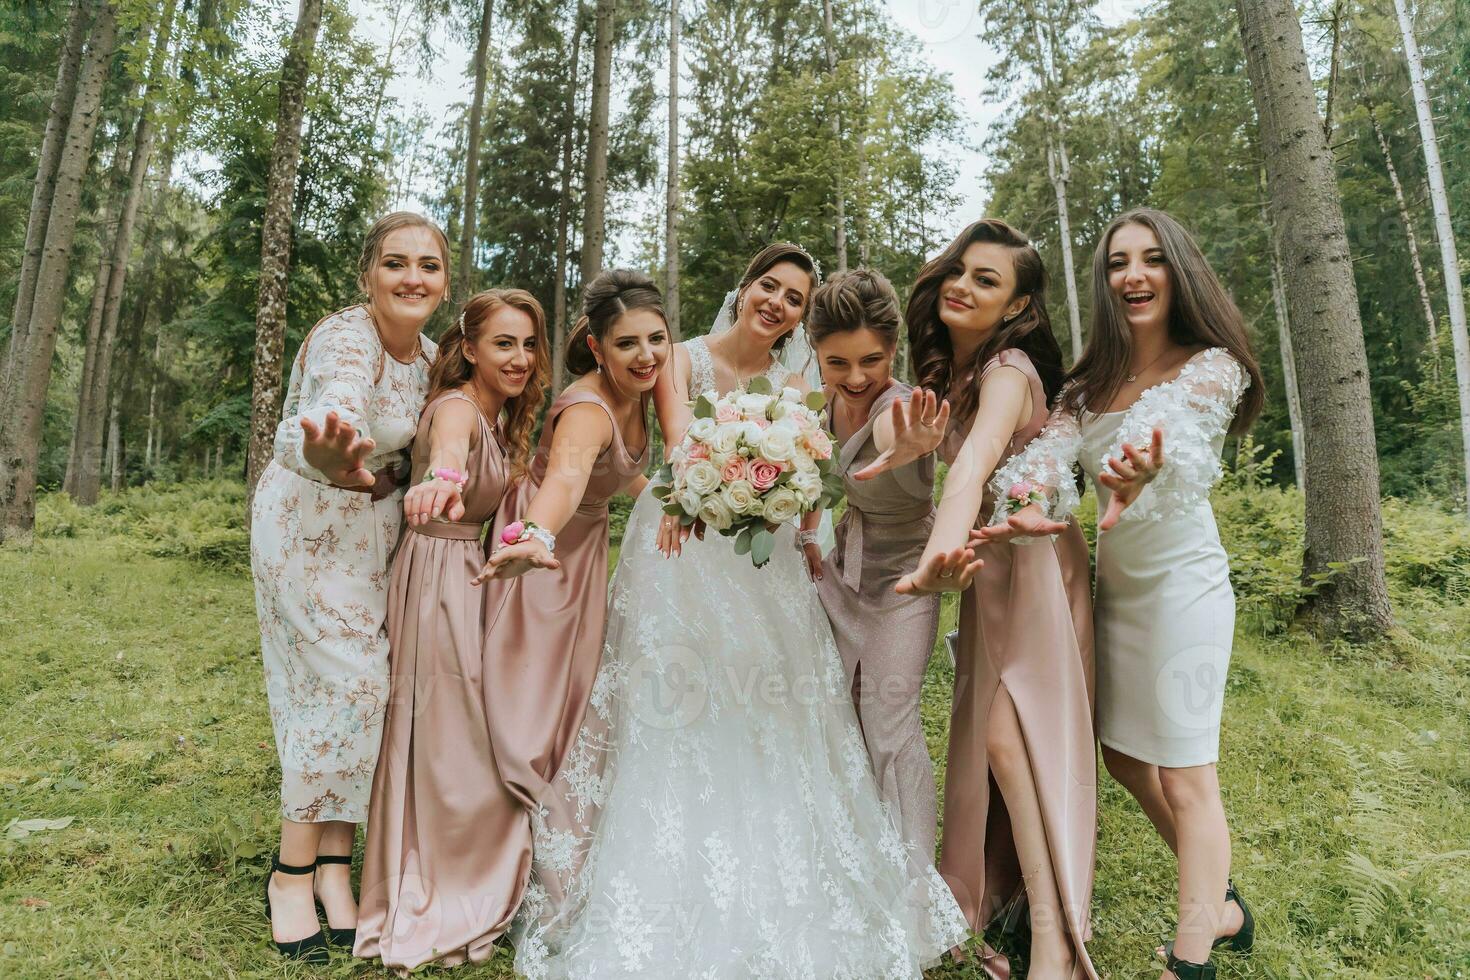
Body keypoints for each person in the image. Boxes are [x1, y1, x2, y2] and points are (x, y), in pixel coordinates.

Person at [510, 244, 970, 980]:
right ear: (745, 283)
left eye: (795, 297)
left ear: (803, 315)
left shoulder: (801, 377)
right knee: (678, 708)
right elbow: (678, 449)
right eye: (770, 286)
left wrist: (810, 532)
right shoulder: (682, 357)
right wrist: (693, 491)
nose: (778, 303)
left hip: (770, 559)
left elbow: (813, 472)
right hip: (682, 550)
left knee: (771, 709)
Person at [979, 208, 1264, 980]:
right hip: (1118, 592)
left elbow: (1174, 435)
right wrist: (1027, 503)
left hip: (1183, 588)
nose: (1132, 275)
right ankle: (1220, 898)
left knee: (1186, 773)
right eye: (1116, 263)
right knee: (1123, 756)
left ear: (1179, 271)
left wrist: (1142, 465)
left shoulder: (1211, 366)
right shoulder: (1086, 383)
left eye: (1150, 259)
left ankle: (1192, 955)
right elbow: (1049, 460)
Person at [861, 218, 1099, 979]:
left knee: (1009, 739)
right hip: (984, 570)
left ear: (1019, 304)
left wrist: (940, 553)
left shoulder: (1007, 372)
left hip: (1027, 570)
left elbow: (975, 471)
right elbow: (936, 472)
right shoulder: (949, 377)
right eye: (960, 271)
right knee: (989, 747)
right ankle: (1002, 902)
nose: (963, 286)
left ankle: (1058, 945)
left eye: (987, 280)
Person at [249, 211, 447, 962]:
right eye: (395, 263)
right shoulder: (344, 338)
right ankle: (290, 871)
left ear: (444, 281)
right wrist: (332, 451)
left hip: (373, 536)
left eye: (427, 265)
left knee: (363, 690)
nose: (411, 278)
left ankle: (337, 864)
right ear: (368, 274)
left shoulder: (431, 356)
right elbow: (329, 412)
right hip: (304, 525)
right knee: (348, 688)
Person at [354, 288, 548, 970]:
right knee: (448, 731)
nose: (520, 358)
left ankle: (462, 862)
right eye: (503, 343)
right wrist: (440, 477)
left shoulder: (501, 415)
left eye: (528, 343)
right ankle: (447, 876)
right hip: (438, 574)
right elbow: (449, 453)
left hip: (468, 572)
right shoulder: (463, 407)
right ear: (468, 349)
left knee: (465, 723)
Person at [807, 268, 950, 859]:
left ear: (894, 348)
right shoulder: (821, 406)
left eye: (872, 358)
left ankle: (915, 882)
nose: (857, 377)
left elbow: (899, 435)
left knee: (891, 722)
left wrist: (910, 449)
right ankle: (862, 853)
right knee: (844, 715)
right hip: (847, 569)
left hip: (905, 579)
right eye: (838, 362)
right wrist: (803, 528)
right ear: (816, 352)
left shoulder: (899, 408)